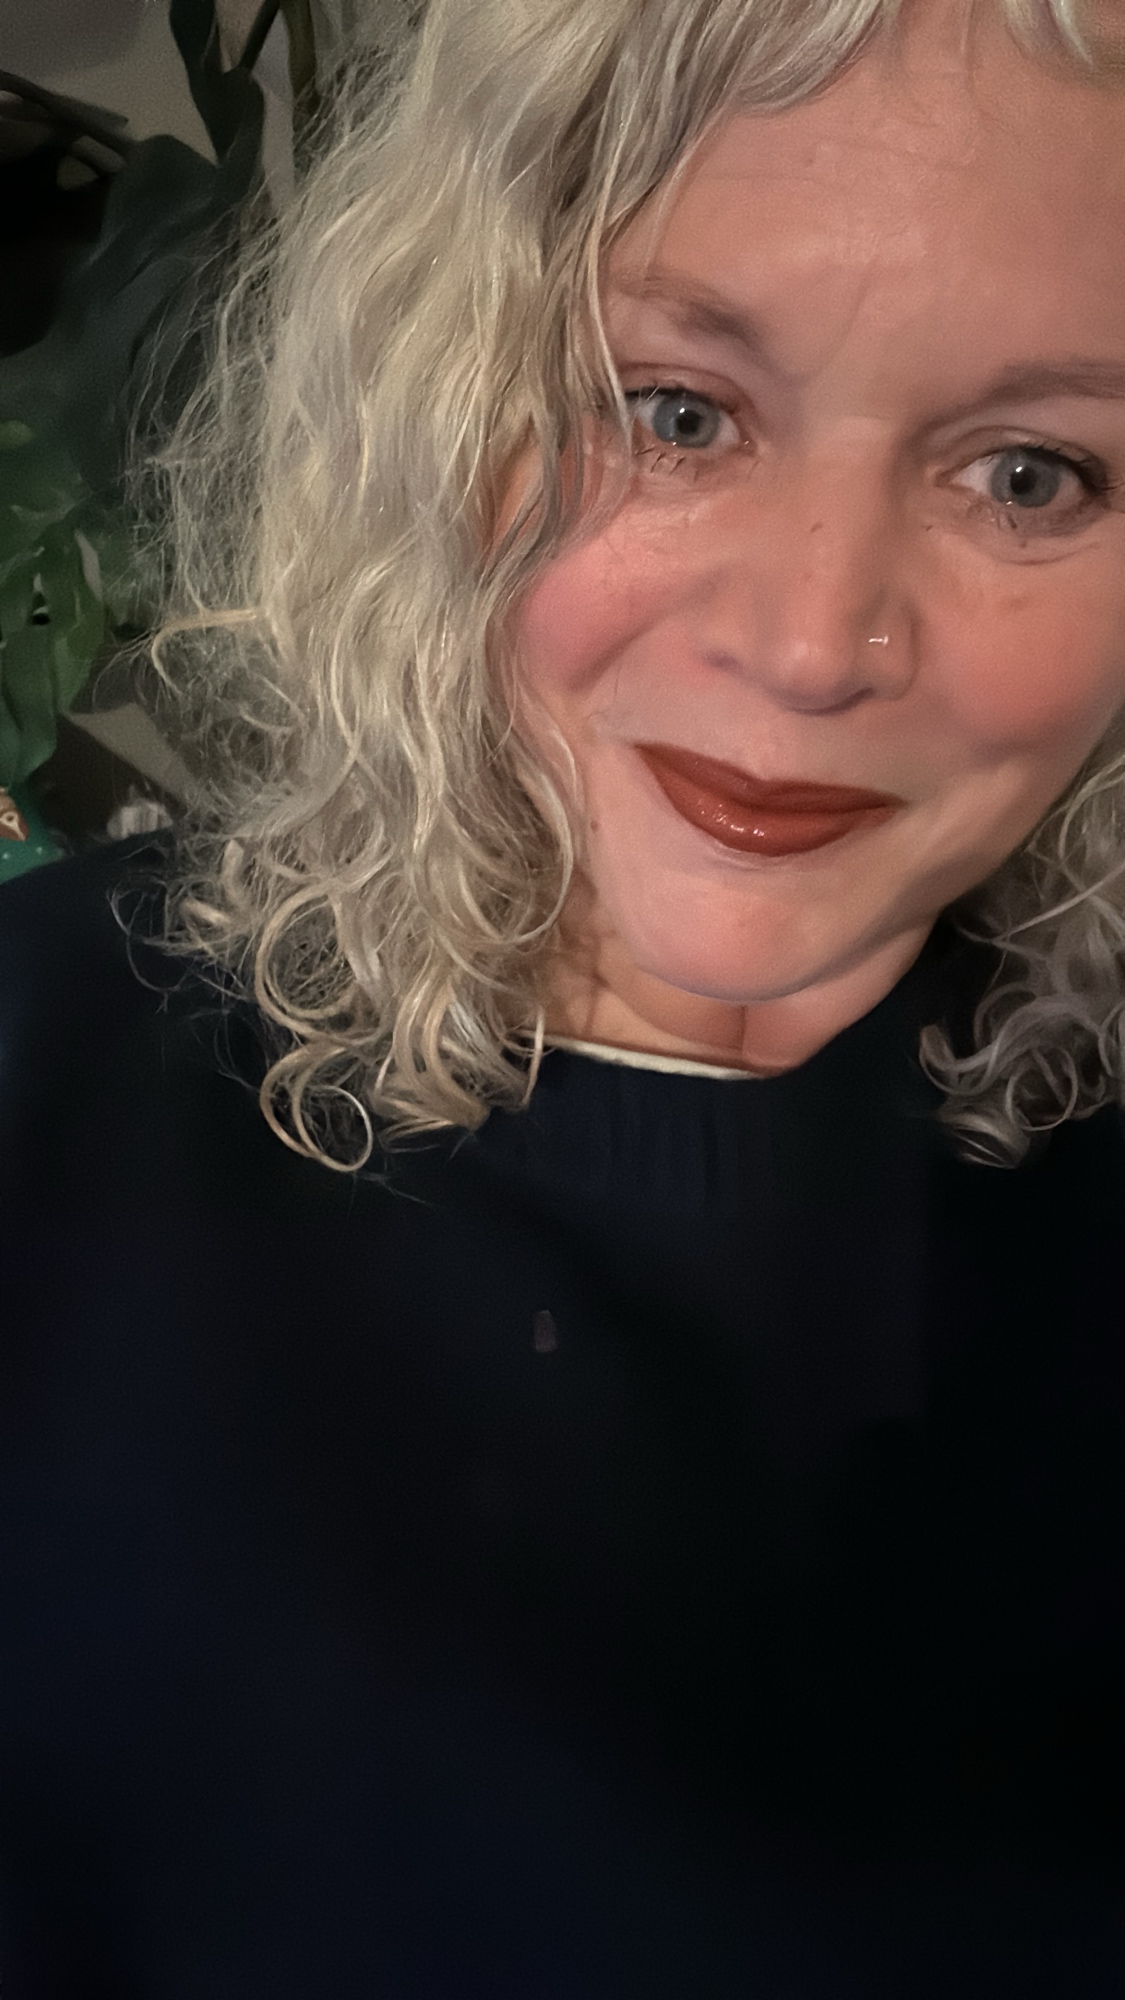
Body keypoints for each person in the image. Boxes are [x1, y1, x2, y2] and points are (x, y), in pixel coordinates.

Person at [3, 0, 1125, 1991]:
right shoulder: (35, 1070)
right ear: (446, 394)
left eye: (1030, 476)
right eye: (675, 411)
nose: (813, 642)